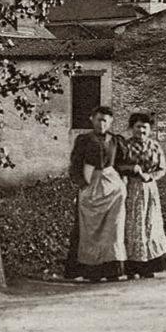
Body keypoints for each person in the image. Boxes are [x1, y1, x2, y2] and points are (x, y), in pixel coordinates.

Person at [66, 106, 128, 282]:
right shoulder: (84, 140)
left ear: (111, 122)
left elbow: (123, 163)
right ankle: (91, 270)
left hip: (113, 188)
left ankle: (113, 269)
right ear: (91, 119)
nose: (102, 124)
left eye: (106, 120)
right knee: (89, 229)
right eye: (99, 119)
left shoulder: (116, 140)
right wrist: (82, 185)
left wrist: (123, 182)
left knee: (113, 229)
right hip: (91, 185)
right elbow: (75, 164)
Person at [116, 111, 166, 279]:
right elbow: (118, 165)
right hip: (131, 187)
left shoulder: (155, 146)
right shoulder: (125, 145)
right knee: (132, 224)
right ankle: (132, 266)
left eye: (145, 127)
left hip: (150, 189)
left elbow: (162, 168)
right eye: (138, 127)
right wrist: (132, 170)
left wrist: (151, 177)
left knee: (150, 223)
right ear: (132, 128)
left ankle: (148, 264)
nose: (141, 131)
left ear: (150, 129)